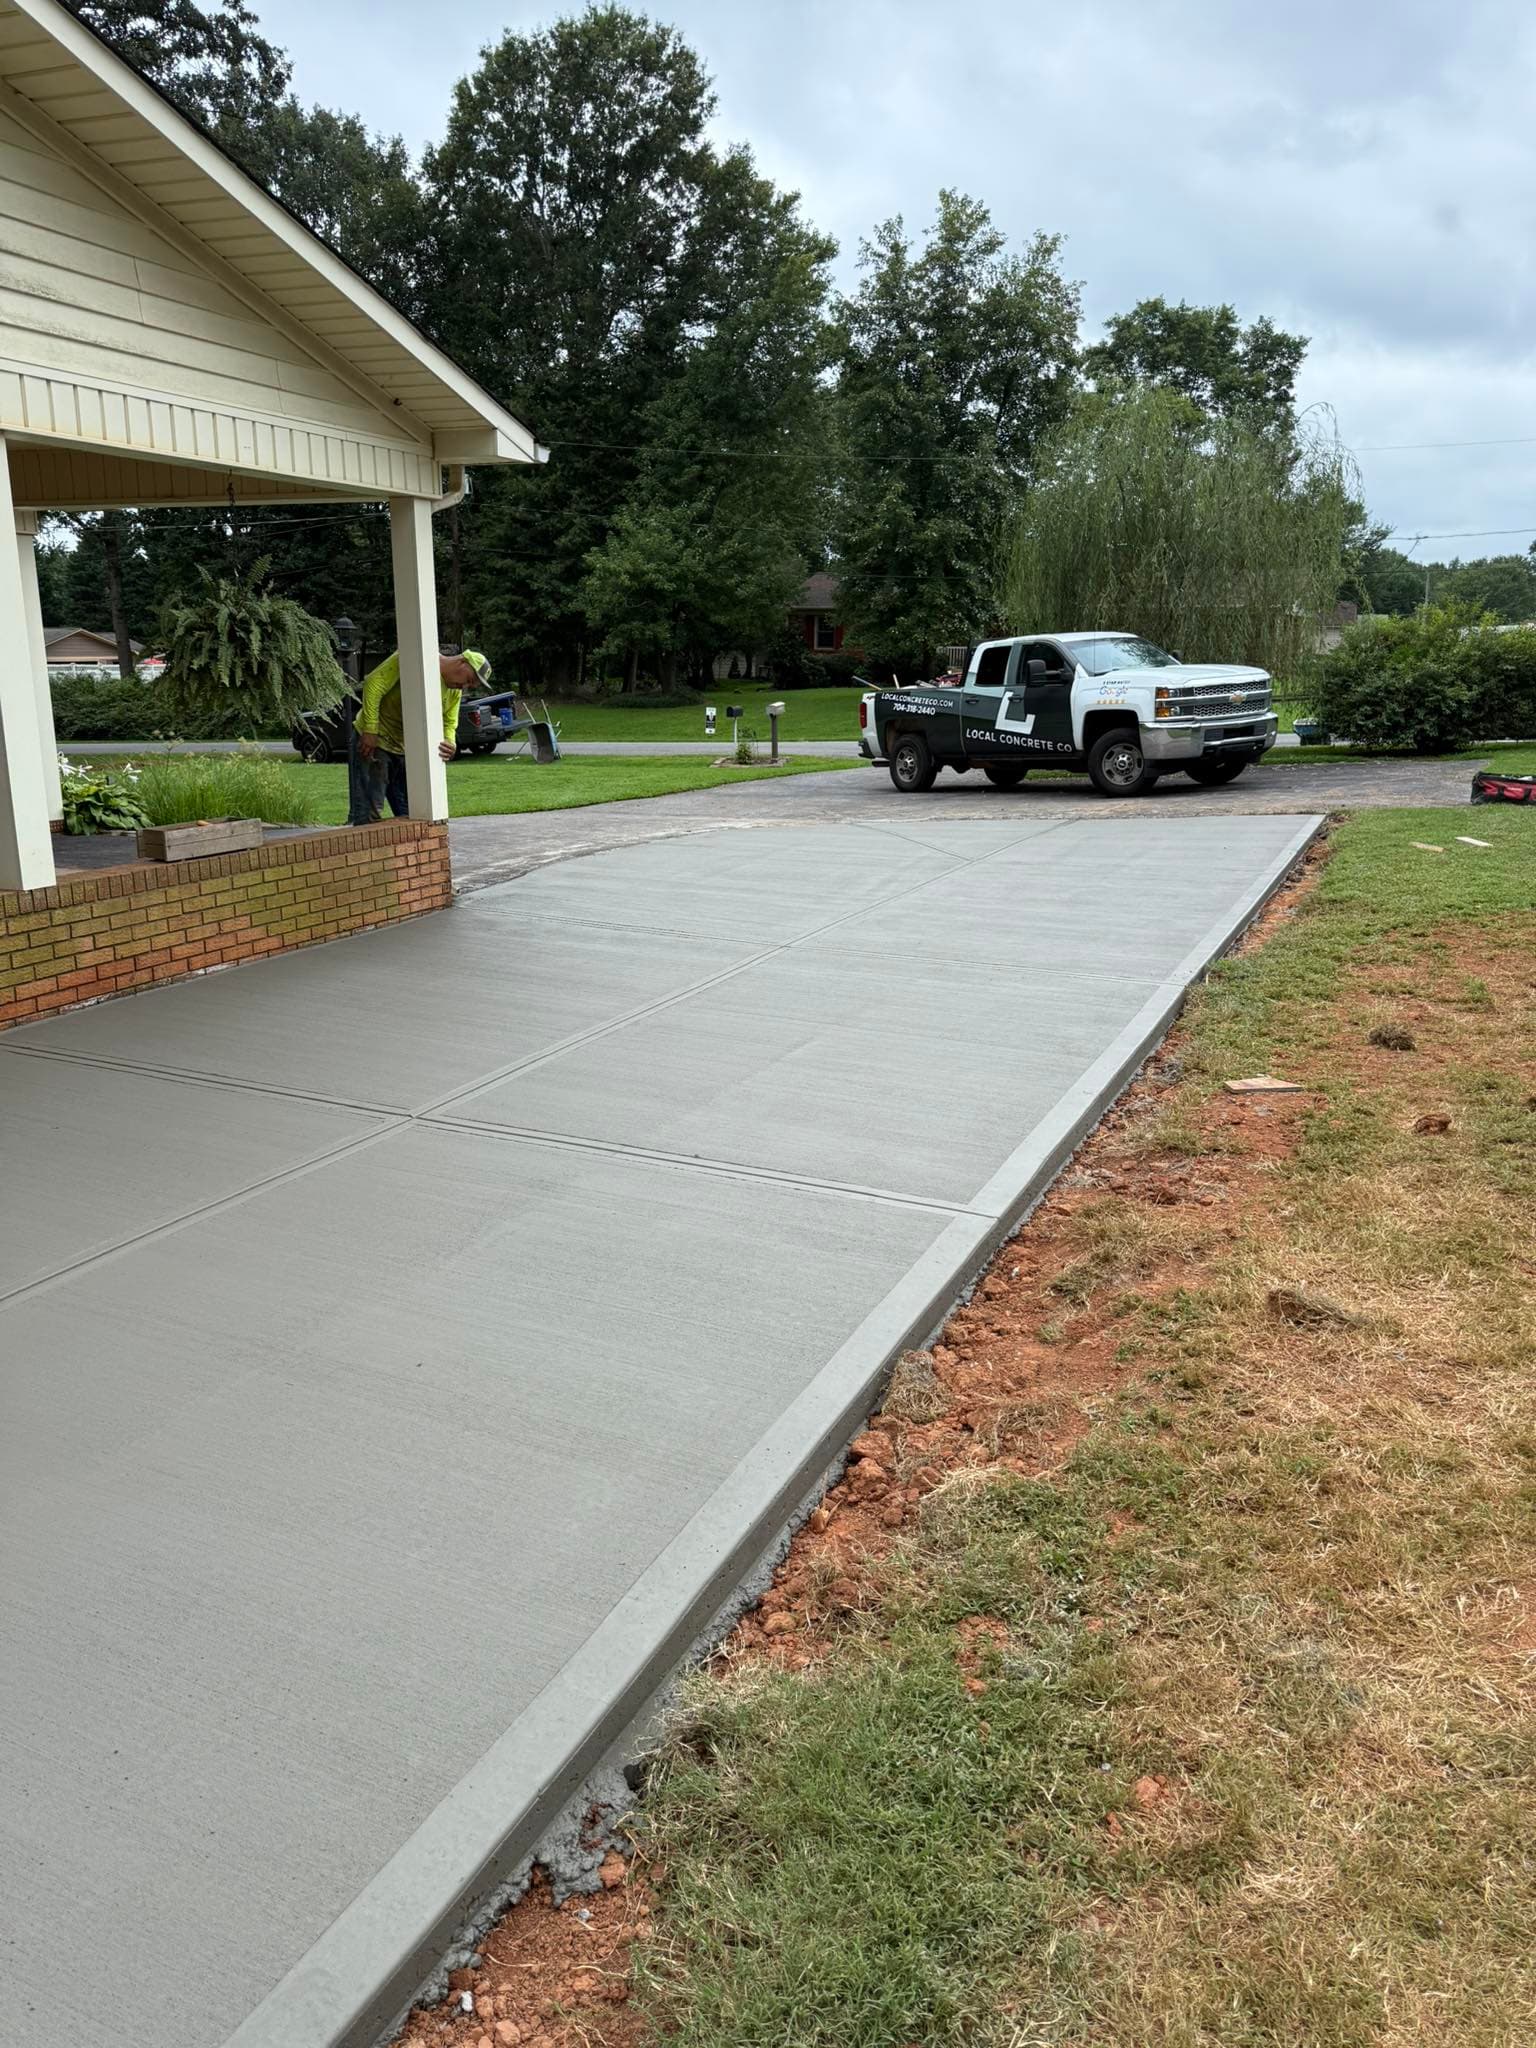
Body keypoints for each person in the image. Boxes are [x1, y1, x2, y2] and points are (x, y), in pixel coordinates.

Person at [347, 645, 492, 825]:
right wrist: (370, 729)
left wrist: (450, 742)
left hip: (405, 751)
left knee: (414, 814)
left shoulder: (454, 691)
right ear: (462, 661)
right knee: (368, 815)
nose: (465, 687)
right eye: (468, 680)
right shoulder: (414, 657)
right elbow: (374, 684)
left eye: (470, 686)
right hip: (374, 744)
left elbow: (449, 721)